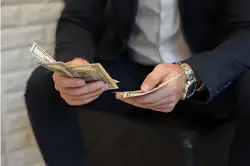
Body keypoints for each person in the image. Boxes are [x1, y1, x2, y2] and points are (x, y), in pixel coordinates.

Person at [25, 0, 250, 166]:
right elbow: (78, 18)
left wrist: (192, 73)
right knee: (44, 86)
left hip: (206, 75)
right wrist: (76, 62)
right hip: (134, 75)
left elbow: (245, 32)